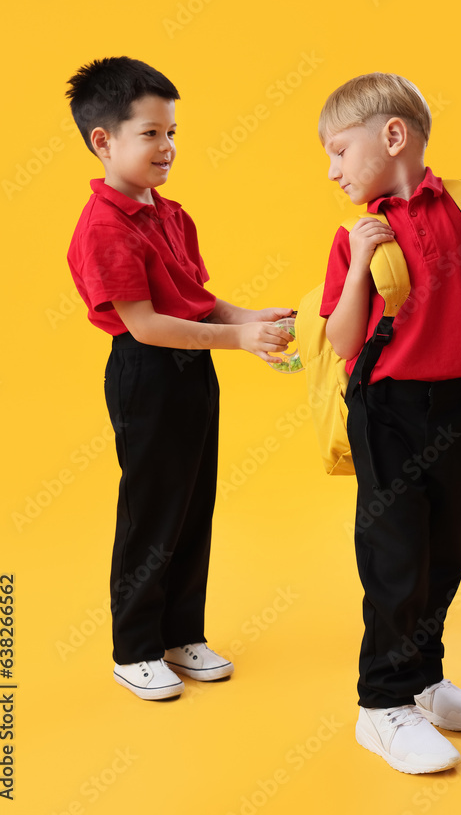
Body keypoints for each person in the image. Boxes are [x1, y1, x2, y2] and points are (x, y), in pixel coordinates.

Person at [66, 56, 292, 701]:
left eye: (171, 133)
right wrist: (238, 339)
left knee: (194, 502)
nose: (167, 147)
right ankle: (134, 647)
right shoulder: (104, 226)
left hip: (194, 369)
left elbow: (194, 299)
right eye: (150, 133)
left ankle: (180, 632)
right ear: (103, 141)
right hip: (147, 373)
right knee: (151, 510)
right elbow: (146, 326)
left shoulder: (170, 214)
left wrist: (250, 319)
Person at [318, 72, 461, 774]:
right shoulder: (359, 235)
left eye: (340, 150)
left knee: (445, 549)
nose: (332, 168)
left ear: (393, 136)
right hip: (388, 411)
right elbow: (344, 343)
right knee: (395, 558)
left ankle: (424, 684)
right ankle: (379, 707)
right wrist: (353, 275)